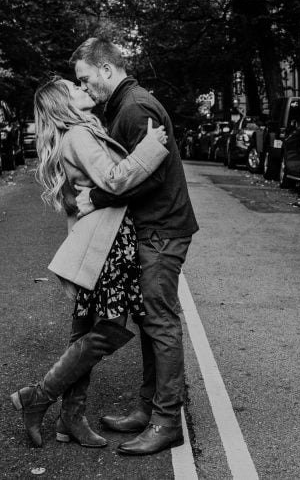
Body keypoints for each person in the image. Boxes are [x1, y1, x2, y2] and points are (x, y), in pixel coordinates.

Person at [9, 77, 170, 449]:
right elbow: (114, 181)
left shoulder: (82, 131)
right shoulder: (79, 137)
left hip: (99, 239)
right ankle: (39, 395)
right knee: (111, 327)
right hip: (106, 242)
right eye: (76, 88)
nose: (84, 89)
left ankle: (71, 418)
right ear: (65, 102)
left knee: (84, 330)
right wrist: (149, 149)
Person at [71, 37, 199, 456]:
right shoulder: (124, 106)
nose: (85, 89)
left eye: (86, 79)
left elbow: (150, 177)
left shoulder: (135, 108)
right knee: (148, 320)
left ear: (106, 69)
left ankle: (167, 422)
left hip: (161, 229)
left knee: (160, 322)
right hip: (153, 228)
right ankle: (147, 409)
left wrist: (97, 198)